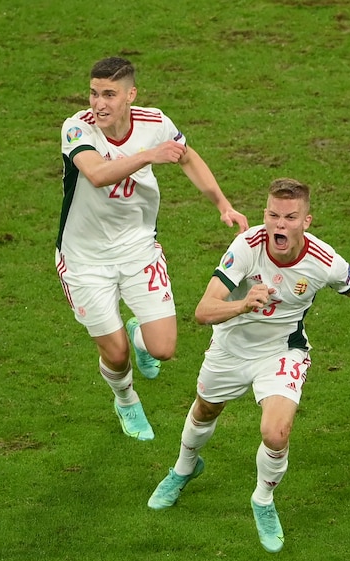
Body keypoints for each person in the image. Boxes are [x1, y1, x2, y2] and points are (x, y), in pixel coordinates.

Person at [147, 178, 350, 553]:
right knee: (206, 410)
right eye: (273, 215)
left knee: (276, 433)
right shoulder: (246, 248)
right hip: (230, 348)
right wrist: (243, 304)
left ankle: (263, 500)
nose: (279, 224)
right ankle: (184, 468)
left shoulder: (323, 261)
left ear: (306, 221)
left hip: (282, 351)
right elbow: (203, 311)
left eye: (290, 217)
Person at [55, 56, 248, 442]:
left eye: (109, 94)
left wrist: (222, 203)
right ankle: (126, 399)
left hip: (138, 250)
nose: (99, 104)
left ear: (131, 95)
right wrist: (148, 156)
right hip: (84, 260)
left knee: (162, 348)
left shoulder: (155, 123)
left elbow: (187, 157)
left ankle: (138, 334)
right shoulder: (78, 128)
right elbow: (95, 174)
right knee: (116, 355)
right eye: (93, 93)